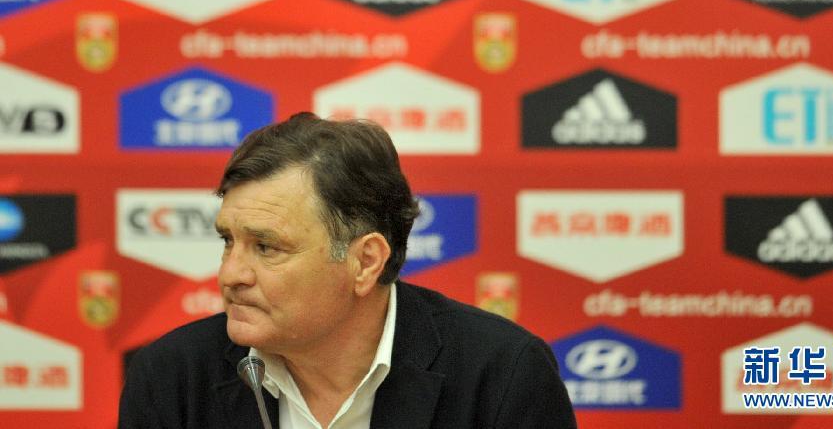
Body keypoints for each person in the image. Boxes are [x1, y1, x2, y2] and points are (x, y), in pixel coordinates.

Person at [119, 112, 577, 428]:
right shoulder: (172, 376)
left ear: (365, 262)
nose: (231, 274)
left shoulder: (499, 374)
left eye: (266, 247)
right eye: (227, 241)